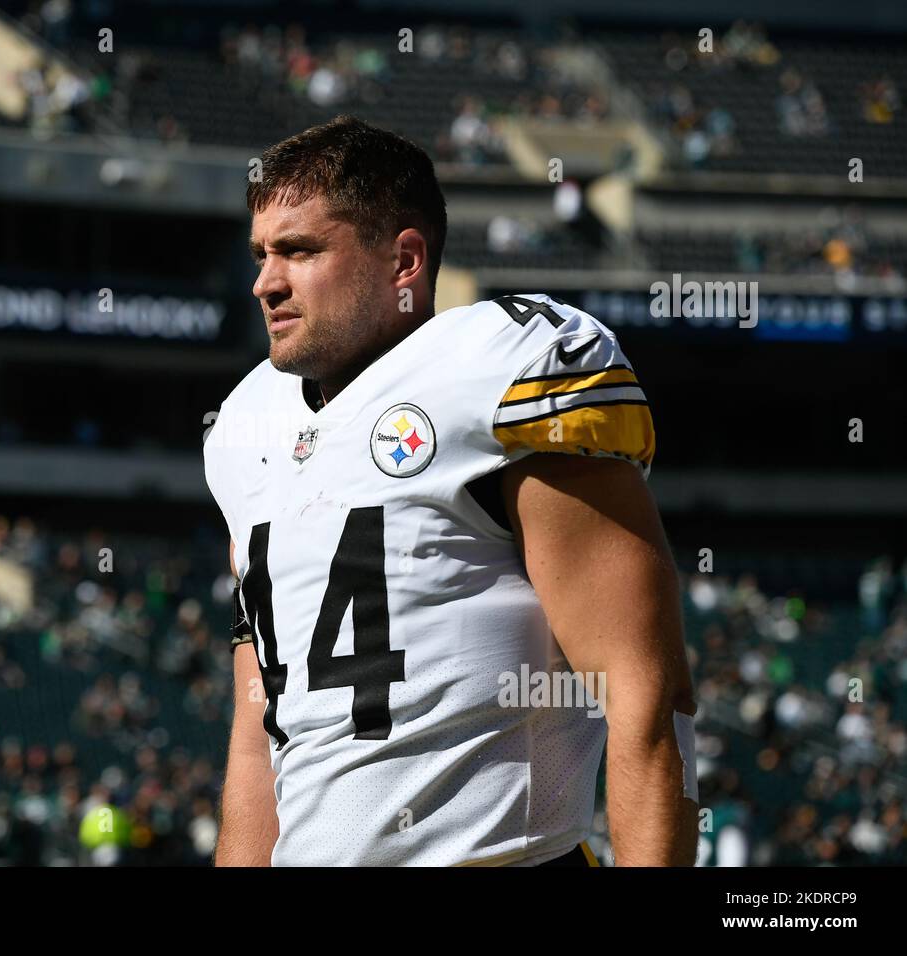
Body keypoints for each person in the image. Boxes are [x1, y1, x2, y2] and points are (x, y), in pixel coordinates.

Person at [203, 115, 697, 867]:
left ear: (404, 259)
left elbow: (647, 697)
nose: (266, 281)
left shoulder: (504, 368)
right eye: (261, 254)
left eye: (300, 250)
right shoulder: (246, 428)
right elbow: (258, 730)